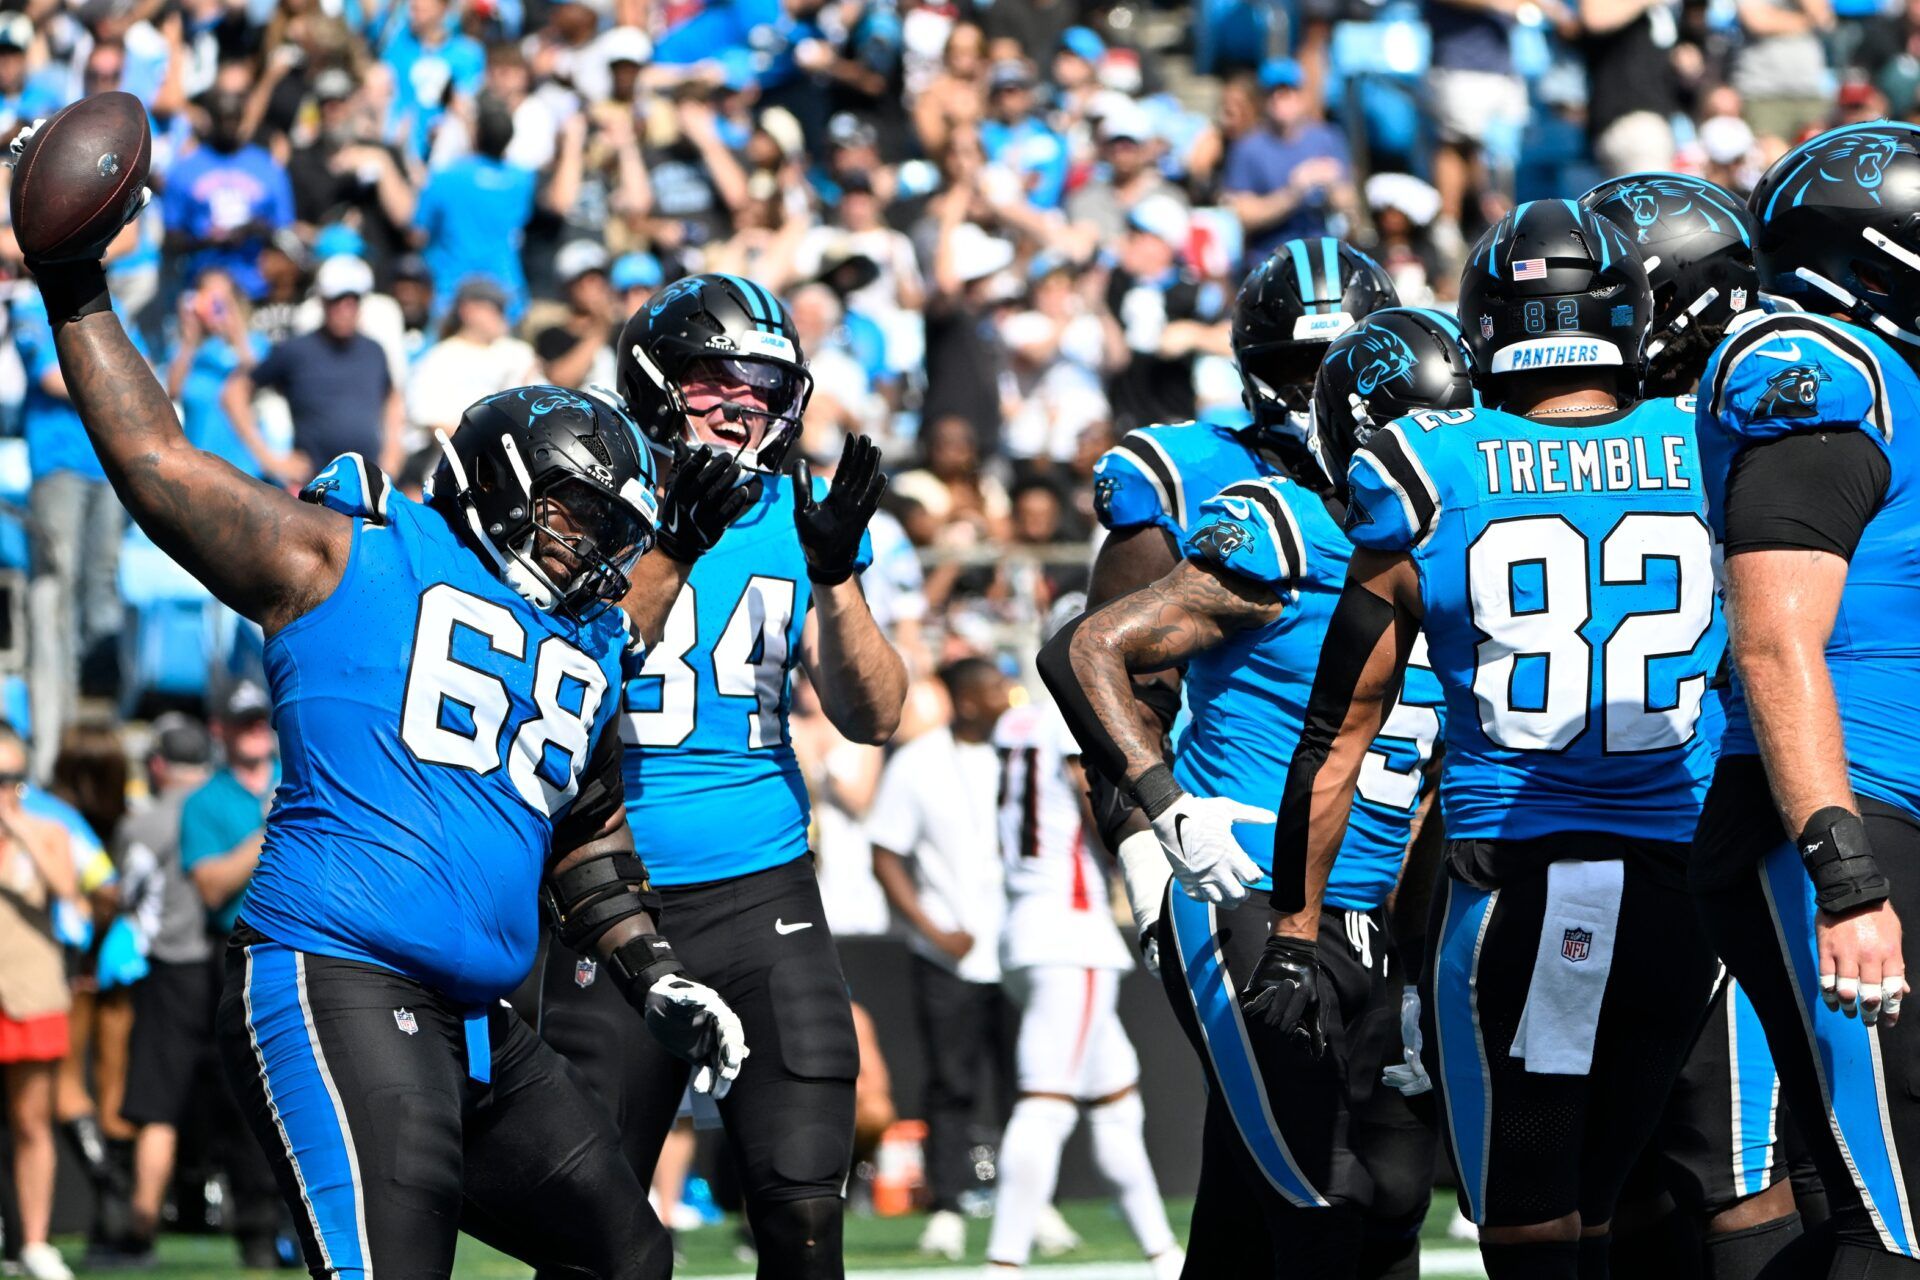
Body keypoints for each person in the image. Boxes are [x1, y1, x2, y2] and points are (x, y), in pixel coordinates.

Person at [14, 157, 760, 1274]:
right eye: (580, 517)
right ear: (505, 486)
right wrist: (76, 288)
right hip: (336, 971)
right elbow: (157, 462)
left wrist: (654, 967)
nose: (603, 550)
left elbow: (587, 820)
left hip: (477, 1022)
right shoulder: (353, 554)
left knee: (628, 1256)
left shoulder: (585, 640)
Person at [1267, 201, 1723, 1280]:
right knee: (1609, 1202)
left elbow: (1340, 728)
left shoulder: (1426, 463)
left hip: (1526, 891)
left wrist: (1295, 925)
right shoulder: (1705, 437)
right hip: (1683, 894)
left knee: (1526, 1218)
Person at [1037, 308, 1468, 1279]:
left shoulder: (1465, 553)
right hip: (1252, 893)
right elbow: (1085, 648)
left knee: (1386, 1188)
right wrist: (1161, 810)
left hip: (1375, 908)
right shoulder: (1283, 524)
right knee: (1324, 1192)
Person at [534, 273, 905, 1280]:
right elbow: (573, 689)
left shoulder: (800, 514)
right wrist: (673, 547)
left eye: (766, 384)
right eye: (715, 380)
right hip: (612, 894)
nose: (743, 405)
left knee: (803, 1206)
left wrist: (837, 578)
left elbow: (876, 715)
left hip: (763, 888)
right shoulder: (583, 500)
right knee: (593, 1233)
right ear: (657, 382)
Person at [1691, 122, 1920, 1279]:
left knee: (1853, 1197)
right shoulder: (1823, 371)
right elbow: (1777, 638)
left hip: (1887, 803)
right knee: (1896, 1215)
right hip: (1852, 810)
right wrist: (1845, 868)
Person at [1579, 172, 1813, 1280]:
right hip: (1722, 802)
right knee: (1722, 1156)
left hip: (1679, 813)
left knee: (1714, 1160)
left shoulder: (1731, 414)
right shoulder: (1756, 401)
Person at [986, 605, 1183, 1280]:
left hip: (1026, 922)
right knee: (1046, 1104)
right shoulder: (1071, 722)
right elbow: (1092, 794)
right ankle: (1002, 1264)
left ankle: (1164, 1256)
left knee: (1116, 1102)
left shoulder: (1013, 722)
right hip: (1070, 930)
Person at [867, 657, 1013, 1263]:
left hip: (1016, 949)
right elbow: (885, 855)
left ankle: (1030, 1201)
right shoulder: (918, 763)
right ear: (964, 700)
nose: (1005, 698)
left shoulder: (1020, 756)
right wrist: (932, 927)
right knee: (951, 1085)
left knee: (1026, 1084)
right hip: (945, 955)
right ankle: (948, 1207)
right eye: (991, 690)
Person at [110, 715, 216, 1266]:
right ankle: (275, 1232)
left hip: (173, 967)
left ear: (157, 764)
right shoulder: (230, 808)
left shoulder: (147, 822)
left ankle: (141, 1228)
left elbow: (127, 896)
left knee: (157, 1107)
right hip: (233, 962)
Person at [0, 721, 80, 1280]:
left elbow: (69, 889)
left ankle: (33, 1240)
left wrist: (17, 826)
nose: (5, 787)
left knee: (32, 1121)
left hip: (31, 995)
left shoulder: (48, 830)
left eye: (13, 777)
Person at [223, 254, 404, 486]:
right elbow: (234, 392)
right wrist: (269, 459)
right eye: (337, 299)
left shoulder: (374, 351)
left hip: (369, 487)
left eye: (353, 299)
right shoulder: (296, 350)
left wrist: (393, 454)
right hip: (314, 489)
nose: (345, 307)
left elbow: (392, 398)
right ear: (323, 302)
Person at [160, 87, 296, 302]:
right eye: (222, 118)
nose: (228, 125)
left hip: (254, 286)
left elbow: (285, 232)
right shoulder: (185, 168)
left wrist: (256, 228)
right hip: (200, 284)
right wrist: (208, 240)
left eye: (233, 118)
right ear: (211, 119)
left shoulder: (267, 166)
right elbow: (171, 240)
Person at [1222, 59, 1353, 269]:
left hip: (1323, 259)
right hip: (1271, 262)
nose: (1279, 99)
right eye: (1272, 92)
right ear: (1262, 99)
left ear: (1301, 95)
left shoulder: (1327, 138)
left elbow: (1349, 204)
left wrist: (1332, 185)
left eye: (1288, 91)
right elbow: (1243, 215)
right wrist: (1293, 193)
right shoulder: (1247, 148)